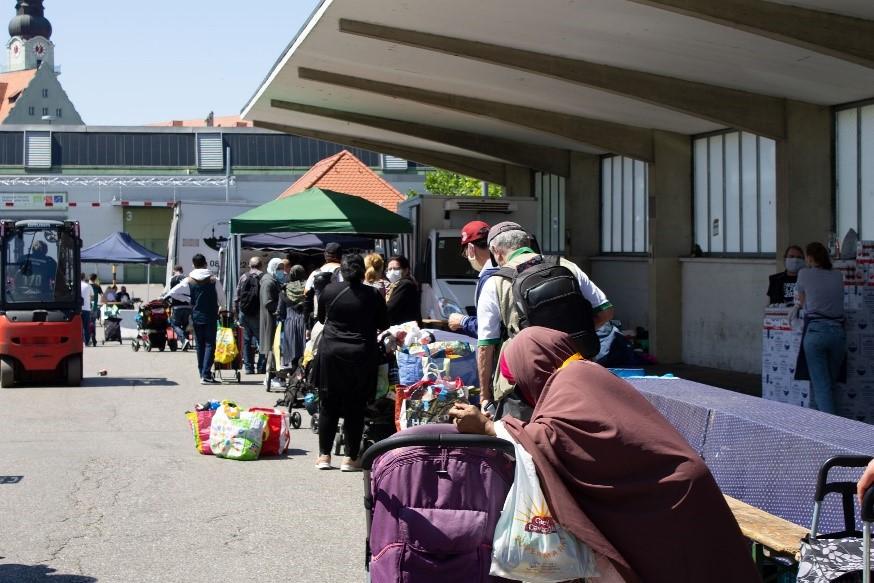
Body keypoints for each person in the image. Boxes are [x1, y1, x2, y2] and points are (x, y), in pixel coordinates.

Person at [448, 327, 761, 583]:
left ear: (535, 365)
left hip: (667, 503)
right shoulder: (580, 373)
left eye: (521, 381)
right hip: (677, 491)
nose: (524, 392)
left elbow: (550, 439)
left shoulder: (571, 383)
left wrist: (489, 428)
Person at [476, 221, 613, 414]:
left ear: (495, 251)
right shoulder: (566, 266)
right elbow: (605, 310)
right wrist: (570, 339)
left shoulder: (495, 283)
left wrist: (485, 397)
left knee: (521, 440)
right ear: (528, 243)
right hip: (575, 373)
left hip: (523, 384)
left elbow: (485, 345)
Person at [316, 253, 388, 471]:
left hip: (331, 353)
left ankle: (324, 457)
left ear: (342, 271)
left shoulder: (329, 291)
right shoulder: (373, 294)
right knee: (355, 407)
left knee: (328, 404)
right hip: (361, 354)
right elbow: (384, 322)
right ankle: (350, 458)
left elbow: (320, 318)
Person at [795, 241, 846, 414]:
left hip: (816, 332)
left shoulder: (803, 273)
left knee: (821, 387)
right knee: (828, 385)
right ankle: (815, 424)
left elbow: (802, 303)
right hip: (838, 334)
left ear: (809, 258)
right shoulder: (838, 275)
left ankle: (829, 431)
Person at [165, 254, 226, 384]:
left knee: (200, 345)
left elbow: (173, 293)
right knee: (210, 344)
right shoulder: (213, 279)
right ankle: (206, 374)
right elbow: (222, 298)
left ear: (193, 265)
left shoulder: (189, 280)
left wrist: (188, 299)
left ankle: (202, 373)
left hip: (196, 315)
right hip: (210, 315)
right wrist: (222, 307)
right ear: (206, 264)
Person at [447, 221, 498, 338]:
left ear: (470, 248)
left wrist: (463, 321)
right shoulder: (507, 268)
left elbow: (487, 329)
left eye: (465, 254)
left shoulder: (488, 277)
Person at [235, 256, 265, 375]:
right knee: (261, 340)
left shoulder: (244, 277)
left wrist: (237, 314)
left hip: (244, 312)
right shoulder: (263, 277)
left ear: (249, 265)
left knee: (246, 341)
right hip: (258, 313)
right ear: (261, 265)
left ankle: (248, 368)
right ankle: (261, 367)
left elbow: (237, 297)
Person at [277, 264, 308, 370]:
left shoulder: (285, 289)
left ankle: (294, 374)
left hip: (290, 322)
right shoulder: (307, 288)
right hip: (304, 322)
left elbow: (280, 310)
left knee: (293, 350)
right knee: (305, 351)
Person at [304, 242, 343, 318]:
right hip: (341, 317)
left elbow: (306, 294)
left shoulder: (315, 273)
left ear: (325, 255)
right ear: (341, 256)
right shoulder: (345, 272)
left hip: (320, 318)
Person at [259, 258, 284, 377]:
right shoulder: (268, 282)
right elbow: (267, 302)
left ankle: (272, 374)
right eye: (279, 268)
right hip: (270, 318)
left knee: (274, 347)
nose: (282, 271)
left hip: (273, 318)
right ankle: (270, 375)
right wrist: (281, 307)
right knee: (271, 348)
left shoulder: (272, 280)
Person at [385, 255, 420, 326]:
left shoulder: (405, 284)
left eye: (396, 269)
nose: (392, 272)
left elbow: (389, 308)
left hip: (404, 329)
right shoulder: (395, 285)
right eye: (389, 269)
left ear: (406, 270)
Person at [166, 266, 193, 352]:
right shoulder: (187, 278)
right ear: (182, 270)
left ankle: (184, 340)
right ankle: (185, 344)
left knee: (175, 324)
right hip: (188, 306)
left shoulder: (172, 279)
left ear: (174, 271)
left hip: (177, 306)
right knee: (185, 325)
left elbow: (169, 292)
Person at [80, 273, 94, 346]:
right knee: (86, 326)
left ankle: (78, 341)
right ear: (84, 277)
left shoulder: (75, 285)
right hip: (86, 308)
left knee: (78, 326)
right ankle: (87, 342)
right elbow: (92, 296)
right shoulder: (88, 286)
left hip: (77, 309)